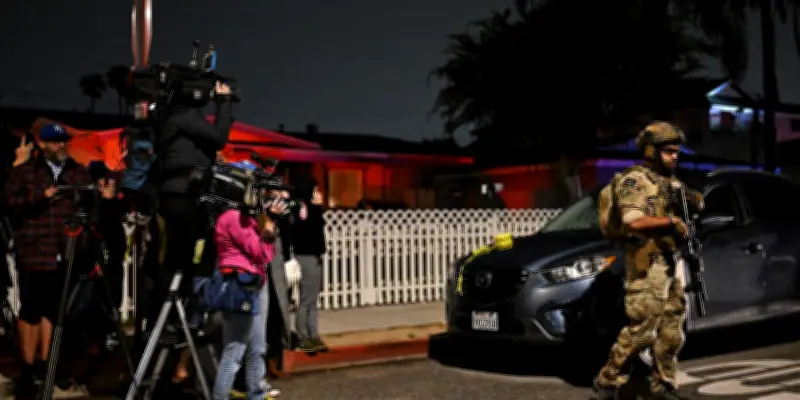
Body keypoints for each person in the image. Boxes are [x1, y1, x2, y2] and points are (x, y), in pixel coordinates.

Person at [593, 122, 704, 400]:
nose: (674, 157)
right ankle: (607, 380)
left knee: (672, 331)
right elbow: (632, 221)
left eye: (676, 152)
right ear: (651, 152)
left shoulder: (671, 182)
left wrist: (692, 200)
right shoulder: (635, 181)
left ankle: (663, 384)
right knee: (642, 331)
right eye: (668, 151)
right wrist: (671, 222)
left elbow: (697, 203)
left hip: (671, 262)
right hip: (647, 265)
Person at [6, 124, 116, 399]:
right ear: (43, 144)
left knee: (54, 311)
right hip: (34, 249)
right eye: (55, 141)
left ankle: (48, 366)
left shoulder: (78, 172)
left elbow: (92, 211)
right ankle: (27, 370)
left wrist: (103, 201)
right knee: (30, 310)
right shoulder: (25, 172)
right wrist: (40, 197)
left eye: (64, 141)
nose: (61, 146)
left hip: (66, 251)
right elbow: (9, 203)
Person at [156, 81, 233, 311]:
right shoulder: (184, 115)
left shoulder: (178, 117)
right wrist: (224, 102)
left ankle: (180, 310)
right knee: (178, 257)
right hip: (183, 195)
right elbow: (218, 139)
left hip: (184, 193)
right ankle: (170, 313)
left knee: (186, 255)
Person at [211, 183, 288, 400]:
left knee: (257, 346)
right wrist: (270, 223)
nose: (259, 197)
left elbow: (265, 254)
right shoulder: (233, 218)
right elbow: (261, 253)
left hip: (254, 283)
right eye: (256, 192)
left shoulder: (244, 218)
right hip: (240, 285)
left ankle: (256, 393)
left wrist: (269, 222)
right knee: (235, 350)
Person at [288, 181, 328, 352]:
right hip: (306, 257)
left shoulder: (309, 208)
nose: (319, 193)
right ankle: (303, 336)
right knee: (306, 300)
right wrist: (318, 207)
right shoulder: (303, 208)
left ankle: (313, 334)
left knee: (312, 300)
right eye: (315, 190)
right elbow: (312, 226)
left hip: (314, 257)